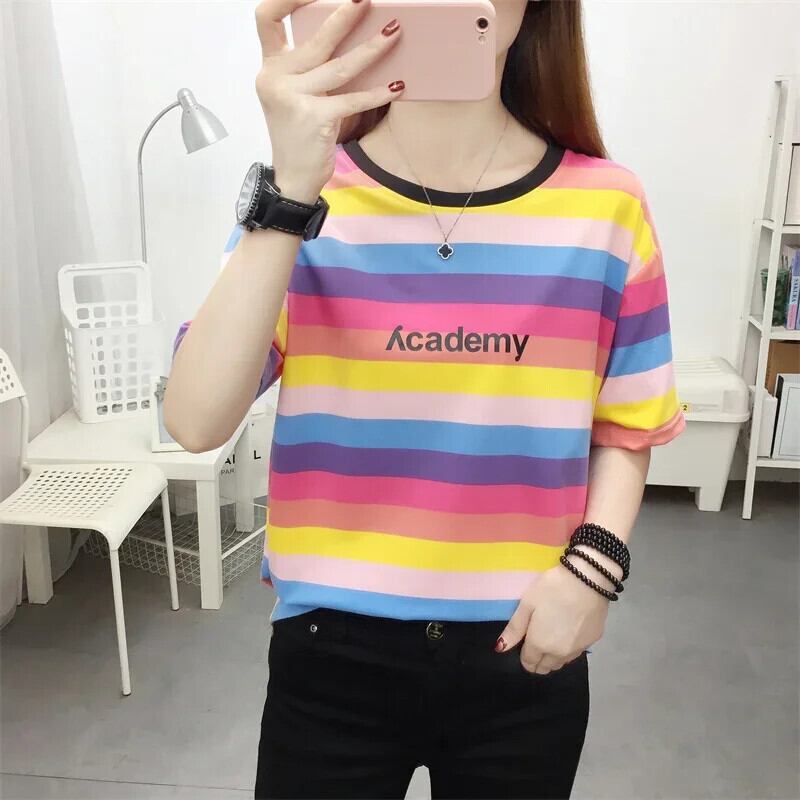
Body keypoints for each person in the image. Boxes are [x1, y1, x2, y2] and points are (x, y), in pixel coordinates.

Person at [165, 0, 686, 797]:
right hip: (328, 652)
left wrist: (592, 574)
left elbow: (628, 422)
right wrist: (291, 186)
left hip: (525, 644)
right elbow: (195, 420)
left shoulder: (607, 207)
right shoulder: (305, 202)